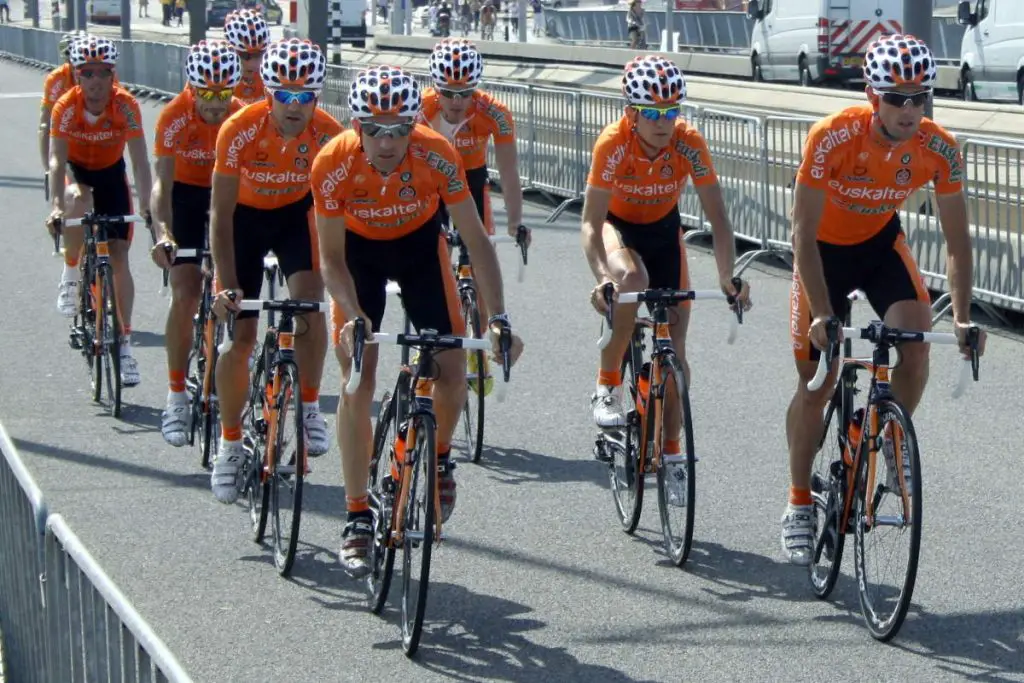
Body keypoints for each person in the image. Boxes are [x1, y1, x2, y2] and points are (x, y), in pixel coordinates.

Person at [781, 35, 988, 566]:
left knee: (917, 346)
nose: (910, 109)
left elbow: (957, 243)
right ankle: (799, 501)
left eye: (920, 97)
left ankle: (889, 442)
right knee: (818, 383)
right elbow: (801, 235)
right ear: (872, 96)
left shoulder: (940, 147)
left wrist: (963, 317)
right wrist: (824, 313)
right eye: (897, 98)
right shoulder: (832, 137)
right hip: (822, 253)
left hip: (878, 245)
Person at [311, 65, 523, 577]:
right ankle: (357, 515)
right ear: (356, 124)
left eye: (401, 129)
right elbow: (332, 260)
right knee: (357, 376)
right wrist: (356, 315)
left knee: (454, 371)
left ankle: (441, 458)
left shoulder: (436, 152)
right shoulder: (332, 162)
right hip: (357, 256)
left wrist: (498, 320)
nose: (388, 142)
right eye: (376, 130)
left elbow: (475, 239)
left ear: (415, 125)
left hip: (419, 251)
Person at [581, 55, 749, 503]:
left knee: (674, 354)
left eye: (672, 111)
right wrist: (602, 277)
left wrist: (728, 277)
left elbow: (718, 217)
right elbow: (589, 222)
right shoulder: (613, 143)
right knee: (632, 278)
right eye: (653, 113)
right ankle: (607, 383)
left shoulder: (689, 143)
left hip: (662, 230)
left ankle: (672, 454)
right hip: (616, 226)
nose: (664, 122)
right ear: (631, 112)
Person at [208, 38, 343, 504]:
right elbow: (220, 217)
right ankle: (229, 444)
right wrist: (226, 286)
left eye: (304, 96)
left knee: (310, 305)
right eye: (284, 95)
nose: (294, 105)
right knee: (240, 339)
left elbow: (338, 212)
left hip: (294, 218)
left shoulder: (329, 134)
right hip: (242, 221)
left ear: (317, 98)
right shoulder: (239, 129)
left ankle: (308, 405)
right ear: (268, 93)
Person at [420, 38, 529, 392]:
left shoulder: (494, 112)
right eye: (447, 92)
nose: (455, 102)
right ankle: (427, 336)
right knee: (430, 260)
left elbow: (510, 173)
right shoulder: (420, 108)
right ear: (435, 87)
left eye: (464, 92)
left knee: (482, 260)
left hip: (471, 183)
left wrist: (516, 222)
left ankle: (480, 341)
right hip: (430, 185)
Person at [150, 41, 243, 447]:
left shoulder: (240, 115)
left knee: (238, 287)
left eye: (225, 93)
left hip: (229, 198)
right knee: (186, 293)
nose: (217, 104)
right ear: (192, 87)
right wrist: (164, 233)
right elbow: (161, 185)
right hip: (186, 198)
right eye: (207, 94)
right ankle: (175, 395)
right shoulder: (174, 116)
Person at [47, 36, 153, 387]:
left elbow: (139, 159)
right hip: (78, 172)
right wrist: (57, 208)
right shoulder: (66, 105)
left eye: (102, 73)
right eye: (87, 73)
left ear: (113, 75)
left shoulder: (125, 106)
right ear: (77, 76)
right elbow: (56, 160)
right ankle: (71, 270)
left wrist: (150, 206)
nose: (95, 80)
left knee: (120, 257)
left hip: (111, 176)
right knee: (77, 200)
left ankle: (124, 343)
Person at [40, 32, 88, 180]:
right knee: (43, 126)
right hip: (66, 129)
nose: (75, 66)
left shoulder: (105, 74)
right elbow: (46, 121)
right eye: (71, 60)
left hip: (94, 129)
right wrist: (49, 169)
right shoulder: (56, 79)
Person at [223, 9, 270, 105]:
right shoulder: (212, 71)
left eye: (258, 54)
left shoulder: (272, 73)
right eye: (245, 55)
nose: (253, 64)